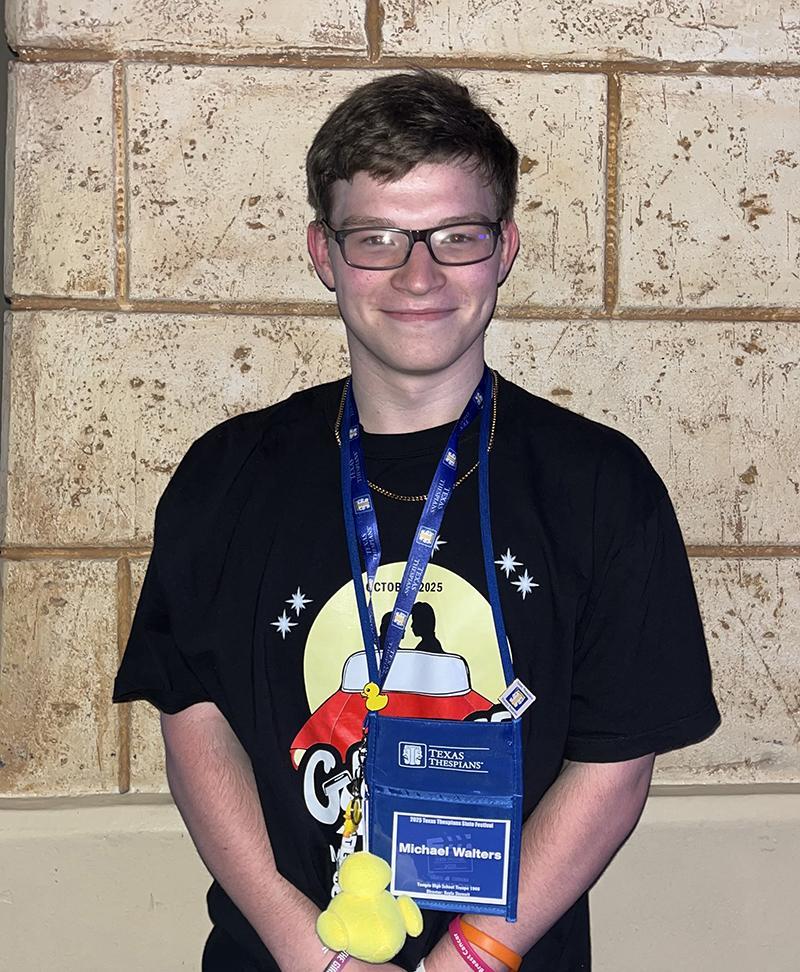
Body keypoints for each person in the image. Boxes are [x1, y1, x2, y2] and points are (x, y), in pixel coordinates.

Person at [113, 70, 720, 971]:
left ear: (504, 248)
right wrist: (314, 956)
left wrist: (465, 960)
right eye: (379, 238)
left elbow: (615, 765)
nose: (419, 275)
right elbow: (193, 723)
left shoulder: (602, 486)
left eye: (456, 236)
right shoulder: (225, 476)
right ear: (324, 254)